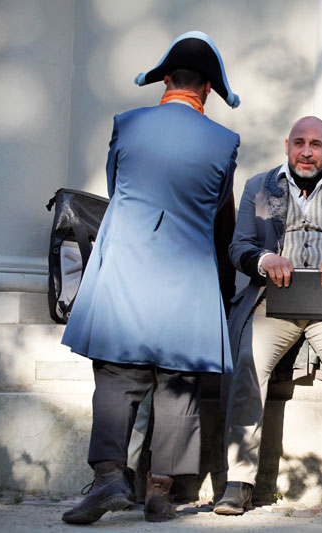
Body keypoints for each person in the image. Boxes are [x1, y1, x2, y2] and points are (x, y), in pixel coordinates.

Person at [60, 31, 240, 524]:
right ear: (207, 88)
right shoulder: (225, 142)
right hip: (188, 279)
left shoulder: (128, 124)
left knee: (118, 377)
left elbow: (118, 187)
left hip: (126, 270)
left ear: (165, 80)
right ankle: (162, 493)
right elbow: (215, 208)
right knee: (178, 382)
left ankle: (110, 479)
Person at [213, 116, 322, 524]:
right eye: (300, 143)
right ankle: (239, 481)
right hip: (274, 299)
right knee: (249, 363)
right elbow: (240, 246)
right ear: (287, 145)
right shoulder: (259, 185)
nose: (307, 152)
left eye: (316, 144)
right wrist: (264, 260)